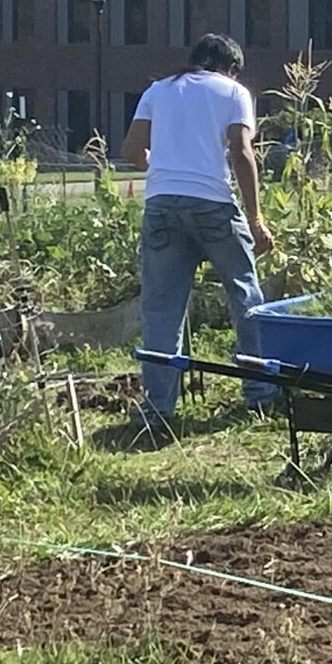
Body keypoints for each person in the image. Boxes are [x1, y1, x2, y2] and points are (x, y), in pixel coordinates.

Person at [121, 33, 275, 437]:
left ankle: (157, 406)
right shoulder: (234, 92)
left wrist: (157, 161)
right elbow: (242, 152)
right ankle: (259, 391)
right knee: (244, 294)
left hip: (163, 203)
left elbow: (132, 150)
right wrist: (256, 220)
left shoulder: (159, 89)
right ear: (233, 67)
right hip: (213, 205)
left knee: (160, 307)